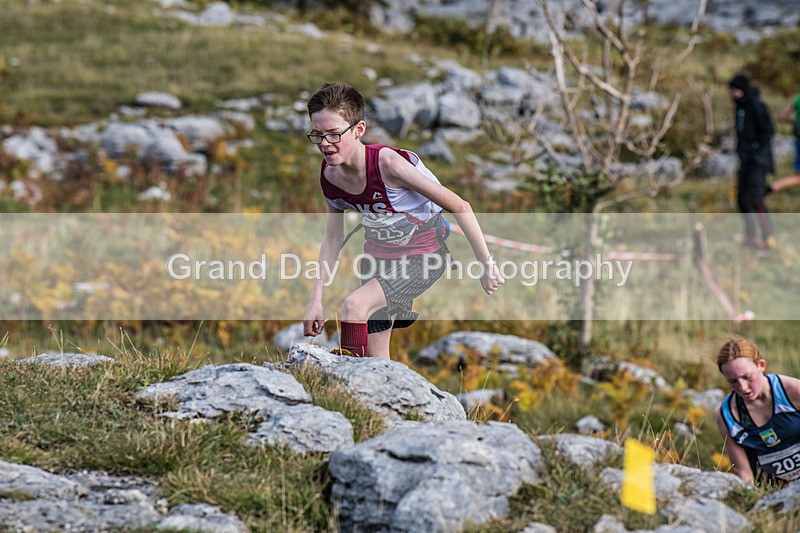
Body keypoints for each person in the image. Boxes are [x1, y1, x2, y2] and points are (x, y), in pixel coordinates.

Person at [301, 82, 504, 359]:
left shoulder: (389, 165)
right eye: (318, 135)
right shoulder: (330, 177)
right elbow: (333, 238)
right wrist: (316, 300)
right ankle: (378, 400)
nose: (325, 144)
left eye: (334, 134)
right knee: (377, 358)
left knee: (353, 306)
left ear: (359, 130)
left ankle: (345, 386)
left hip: (424, 256)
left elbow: (460, 206)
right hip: (378, 259)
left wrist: (486, 265)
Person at [715, 337, 800, 484]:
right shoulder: (727, 416)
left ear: (761, 365)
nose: (743, 387)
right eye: (733, 381)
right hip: (772, 493)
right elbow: (744, 473)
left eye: (747, 377)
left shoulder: (793, 391)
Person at [727, 74, 775, 252]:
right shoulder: (740, 108)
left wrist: (755, 151)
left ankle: (767, 238)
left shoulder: (756, 106)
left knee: (756, 199)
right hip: (745, 161)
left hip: (758, 162)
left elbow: (768, 130)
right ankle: (751, 236)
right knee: (742, 200)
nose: (731, 94)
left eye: (734, 90)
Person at [769, 92, 800, 192]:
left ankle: (768, 189)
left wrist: (794, 122)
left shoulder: (798, 99)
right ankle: (768, 189)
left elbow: (781, 117)